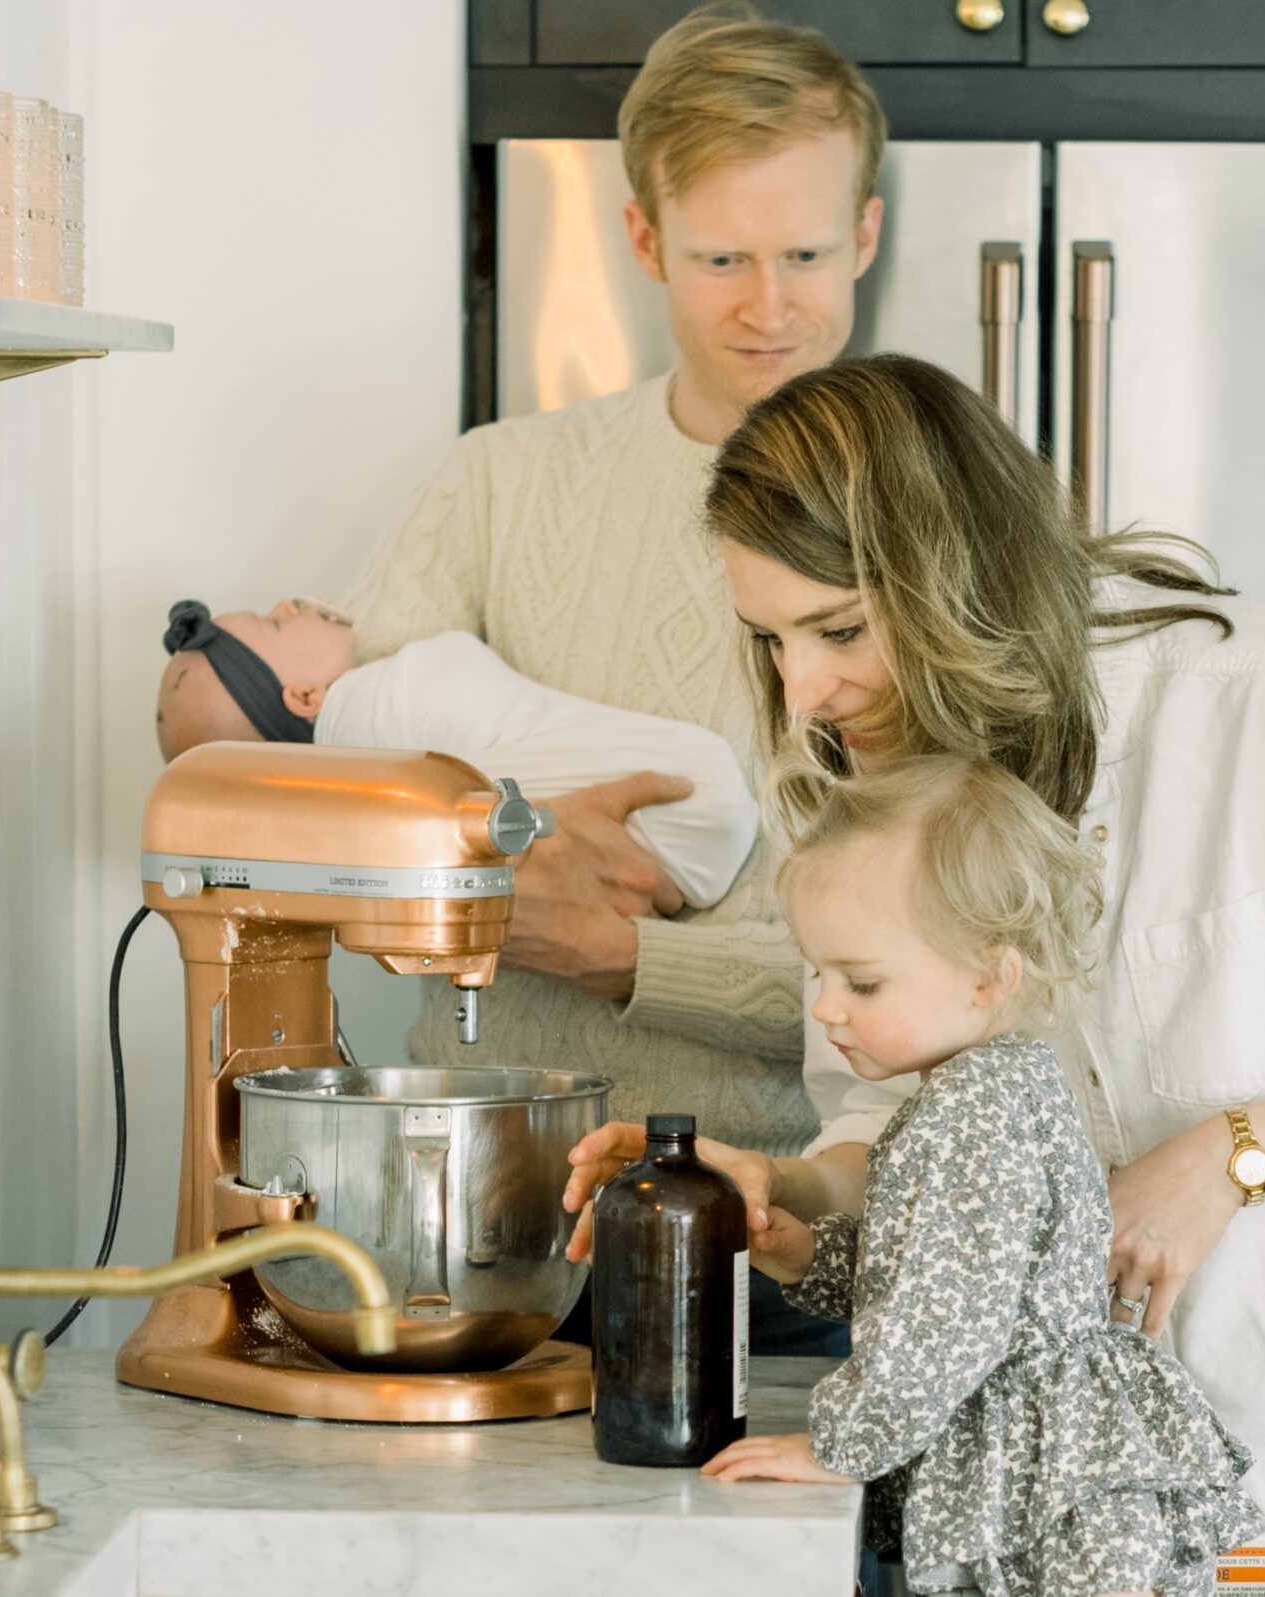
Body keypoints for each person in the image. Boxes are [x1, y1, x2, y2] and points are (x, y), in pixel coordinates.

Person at [566, 354, 1265, 1596]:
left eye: (838, 629)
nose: (805, 691)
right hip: (1102, 1523)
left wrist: (1227, 1156)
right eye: (771, 639)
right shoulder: (872, 793)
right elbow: (894, 1113)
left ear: (967, 578)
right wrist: (785, 1196)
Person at [342, 8, 892, 1352]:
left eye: (807, 254)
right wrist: (492, 878)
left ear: (867, 235)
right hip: (488, 1230)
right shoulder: (494, 485)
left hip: (795, 1242)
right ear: (643, 242)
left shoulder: (940, 533)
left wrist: (629, 956)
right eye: (722, 258)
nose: (770, 305)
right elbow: (325, 847)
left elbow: (980, 984)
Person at [701, 754, 1265, 1597]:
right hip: (1055, 1452)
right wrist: (807, 1252)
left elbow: (945, 1319)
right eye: (820, 974)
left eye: (861, 980)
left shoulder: (974, 1110)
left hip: (1041, 1476)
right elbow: (952, 1274)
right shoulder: (1001, 1082)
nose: (826, 1007)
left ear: (989, 976)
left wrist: (843, 1444)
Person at [155, 597, 758, 907]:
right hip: (694, 795)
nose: (290, 602)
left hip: (686, 838)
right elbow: (451, 668)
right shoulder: (378, 706)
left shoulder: (348, 789)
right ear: (307, 696)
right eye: (276, 621)